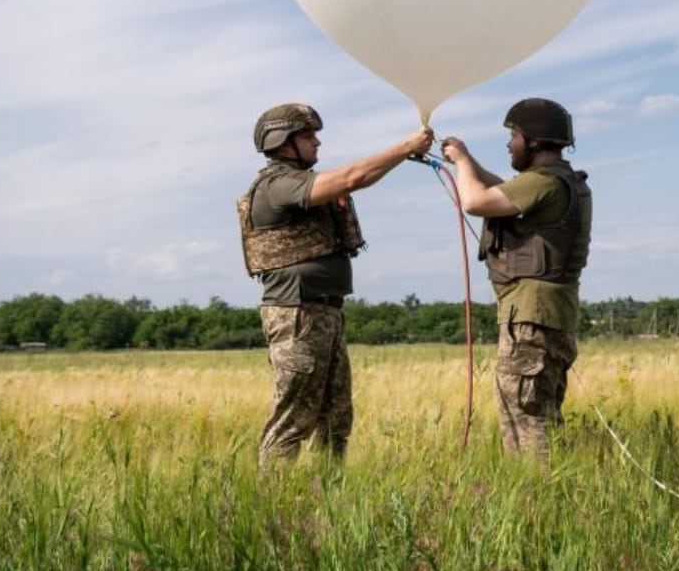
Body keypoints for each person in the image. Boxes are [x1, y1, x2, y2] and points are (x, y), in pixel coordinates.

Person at [239, 104, 433, 467]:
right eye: (308, 135)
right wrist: (406, 147)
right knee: (294, 418)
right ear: (282, 141)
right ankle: (275, 506)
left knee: (335, 418)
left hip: (324, 312)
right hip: (297, 314)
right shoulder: (277, 186)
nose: (318, 142)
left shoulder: (297, 183)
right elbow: (351, 177)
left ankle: (327, 502)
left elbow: (353, 178)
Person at [439, 98, 590, 460]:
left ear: (534, 142)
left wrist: (460, 162)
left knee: (526, 415)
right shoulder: (553, 181)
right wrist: (466, 158)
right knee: (537, 410)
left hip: (531, 317)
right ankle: (545, 496)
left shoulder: (544, 182)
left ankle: (537, 497)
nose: (509, 144)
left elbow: (475, 202)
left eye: (514, 136)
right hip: (546, 313)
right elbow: (503, 188)